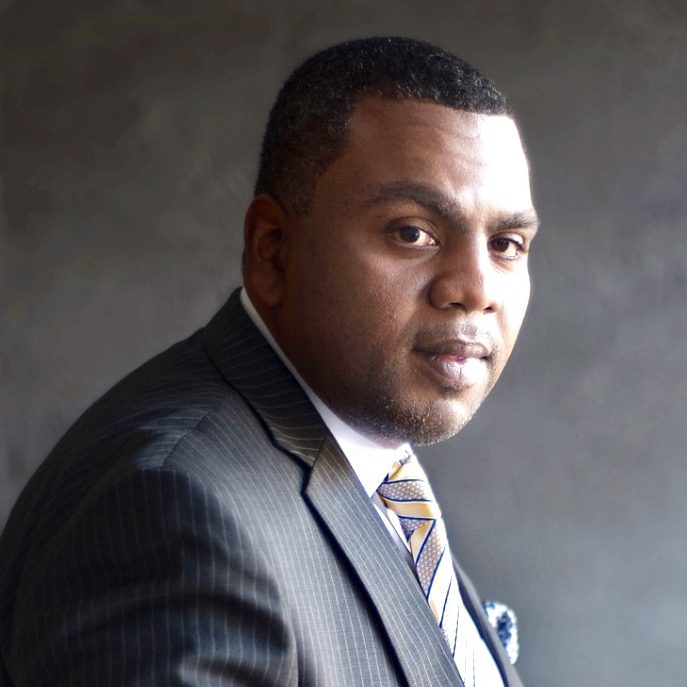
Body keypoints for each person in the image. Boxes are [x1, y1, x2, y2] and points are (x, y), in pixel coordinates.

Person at [0, 37, 538, 686]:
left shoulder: (371, 458)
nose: (475, 287)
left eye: (506, 243)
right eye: (411, 232)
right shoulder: (174, 508)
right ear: (273, 249)